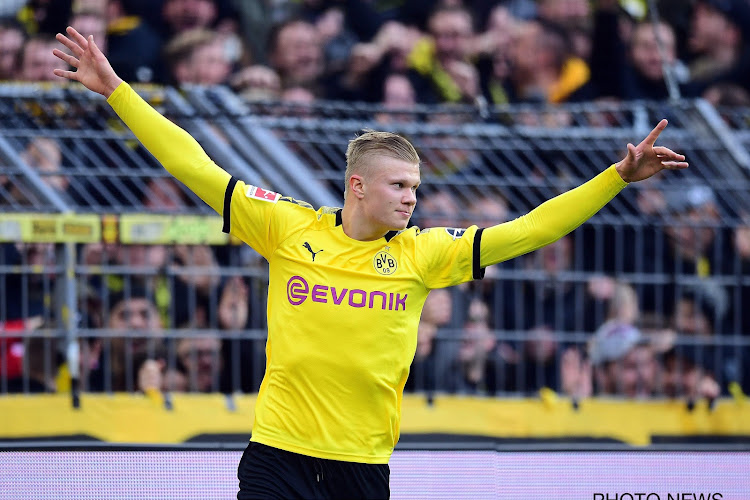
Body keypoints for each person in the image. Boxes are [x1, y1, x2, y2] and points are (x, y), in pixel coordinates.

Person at [52, 25, 688, 499]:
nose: (412, 198)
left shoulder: (425, 253)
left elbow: (530, 229)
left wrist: (615, 177)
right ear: (358, 185)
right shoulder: (286, 225)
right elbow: (194, 163)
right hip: (277, 454)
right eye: (399, 186)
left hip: (363, 466)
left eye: (415, 187)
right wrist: (115, 90)